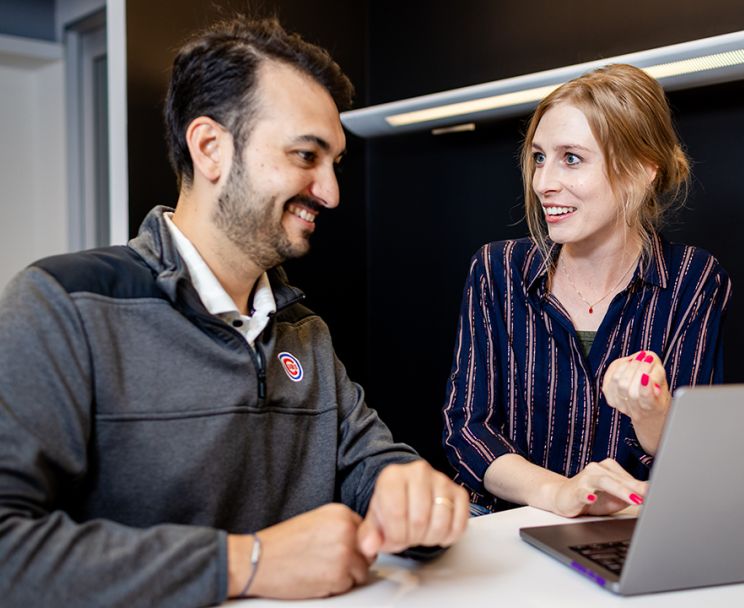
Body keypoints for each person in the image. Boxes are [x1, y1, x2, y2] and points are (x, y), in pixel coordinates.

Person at [0, 16, 467, 607]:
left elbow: (373, 465)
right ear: (211, 148)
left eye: (335, 164)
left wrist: (412, 495)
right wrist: (248, 563)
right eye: (305, 155)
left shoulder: (304, 332)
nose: (331, 192)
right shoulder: (63, 306)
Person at [442, 63, 731, 518]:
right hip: (508, 522)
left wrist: (652, 411)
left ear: (640, 170)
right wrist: (563, 493)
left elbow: (695, 461)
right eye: (539, 157)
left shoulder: (693, 280)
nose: (543, 183)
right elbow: (467, 430)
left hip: (626, 528)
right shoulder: (496, 270)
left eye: (570, 158)